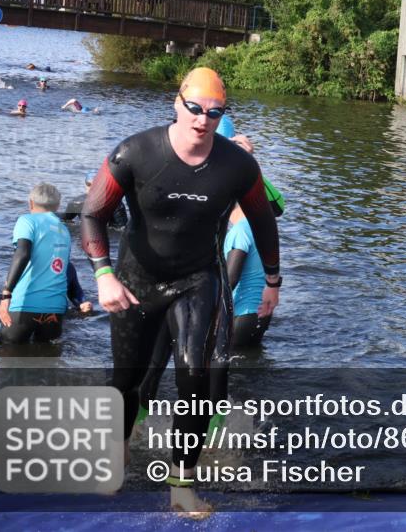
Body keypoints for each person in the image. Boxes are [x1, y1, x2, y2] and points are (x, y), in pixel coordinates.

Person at [80, 67, 280, 516]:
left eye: (214, 112)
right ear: (177, 102)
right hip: (136, 280)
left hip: (197, 278)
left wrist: (272, 281)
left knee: (194, 379)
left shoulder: (238, 165)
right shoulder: (136, 151)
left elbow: (265, 221)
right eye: (194, 108)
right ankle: (117, 449)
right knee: (127, 380)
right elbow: (92, 214)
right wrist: (103, 274)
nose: (202, 120)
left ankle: (181, 486)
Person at [0, 183, 84, 343]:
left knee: (6, 359)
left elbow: (22, 254)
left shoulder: (26, 221)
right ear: (57, 205)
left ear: (30, 202)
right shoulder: (64, 230)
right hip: (55, 310)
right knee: (46, 360)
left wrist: (6, 294)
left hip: (24, 306)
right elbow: (64, 269)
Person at [224, 204, 273, 347]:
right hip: (262, 313)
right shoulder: (262, 228)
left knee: (227, 365)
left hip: (242, 314)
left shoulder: (239, 231)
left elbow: (231, 278)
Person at [59, 170, 127, 228]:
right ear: (85, 185)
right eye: (89, 184)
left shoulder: (116, 204)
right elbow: (63, 221)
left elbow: (122, 230)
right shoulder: (76, 204)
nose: (92, 188)